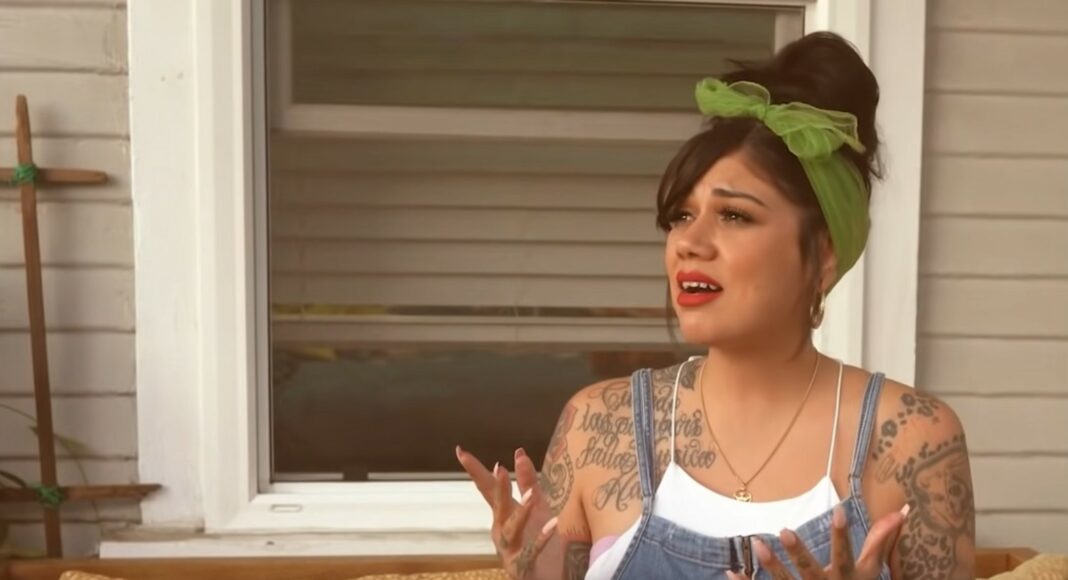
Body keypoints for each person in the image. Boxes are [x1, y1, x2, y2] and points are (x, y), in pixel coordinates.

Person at [457, 31, 975, 580]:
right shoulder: (596, 425)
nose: (689, 242)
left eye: (734, 216)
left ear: (823, 253)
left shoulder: (912, 439)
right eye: (681, 216)